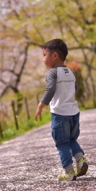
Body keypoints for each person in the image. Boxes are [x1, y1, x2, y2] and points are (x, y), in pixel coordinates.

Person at [35, 38, 88, 181]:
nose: (43, 59)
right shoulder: (70, 72)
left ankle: (69, 172)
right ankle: (80, 159)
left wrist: (41, 105)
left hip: (60, 113)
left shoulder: (52, 73)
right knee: (71, 139)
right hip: (74, 112)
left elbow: (50, 88)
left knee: (62, 143)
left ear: (54, 56)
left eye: (44, 55)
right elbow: (75, 88)